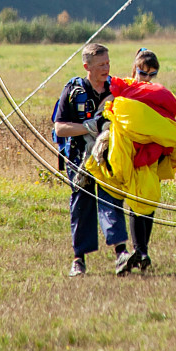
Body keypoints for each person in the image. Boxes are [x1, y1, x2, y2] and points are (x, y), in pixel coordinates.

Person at [86, 48, 176, 274]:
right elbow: (109, 112)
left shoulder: (156, 95)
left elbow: (167, 124)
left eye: (152, 74)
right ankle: (134, 251)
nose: (147, 78)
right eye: (143, 73)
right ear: (135, 69)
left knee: (149, 200)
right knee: (134, 202)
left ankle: (142, 252)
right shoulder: (123, 89)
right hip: (128, 154)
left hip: (150, 156)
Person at [53, 42, 130, 277]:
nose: (106, 68)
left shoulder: (115, 90)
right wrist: (89, 127)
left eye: (107, 63)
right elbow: (60, 128)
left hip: (108, 156)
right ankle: (79, 260)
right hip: (79, 159)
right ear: (87, 66)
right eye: (100, 65)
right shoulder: (73, 91)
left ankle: (122, 254)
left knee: (112, 198)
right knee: (82, 205)